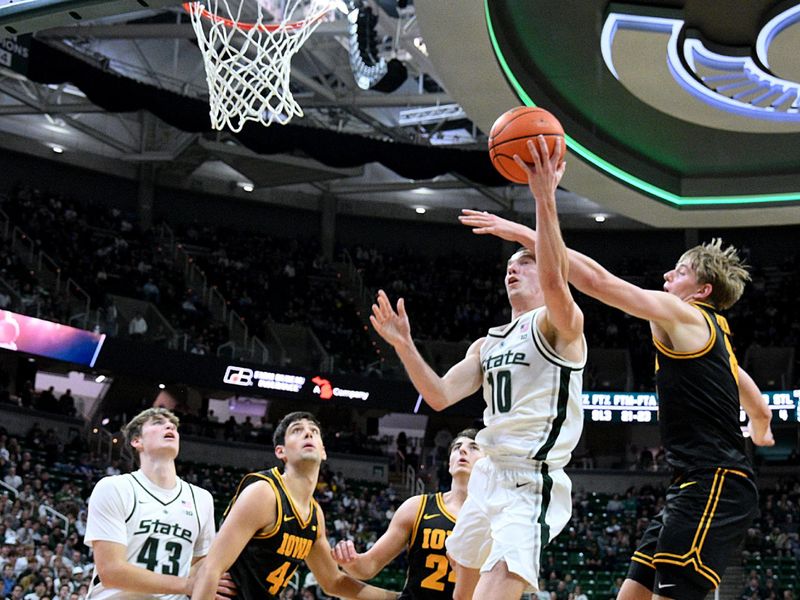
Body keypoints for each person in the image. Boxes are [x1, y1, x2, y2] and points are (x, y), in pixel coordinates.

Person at [460, 215, 774, 599]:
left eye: (679, 272)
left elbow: (598, 282)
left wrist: (527, 235)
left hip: (713, 483)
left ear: (702, 290)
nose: (666, 277)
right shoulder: (715, 339)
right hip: (693, 484)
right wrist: (761, 429)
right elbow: (757, 402)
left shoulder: (685, 314)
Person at [371, 136, 585, 600]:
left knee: (493, 589)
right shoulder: (487, 342)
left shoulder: (560, 325)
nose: (514, 269)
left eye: (525, 262)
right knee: (460, 567)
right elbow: (440, 396)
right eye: (509, 264)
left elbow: (554, 271)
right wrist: (405, 346)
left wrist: (543, 198)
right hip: (489, 473)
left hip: (532, 477)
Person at [191, 411, 397, 600]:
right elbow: (211, 568)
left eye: (314, 431)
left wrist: (396, 597)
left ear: (323, 451)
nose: (308, 434)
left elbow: (333, 581)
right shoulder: (264, 494)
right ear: (281, 452)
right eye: (297, 430)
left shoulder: (315, 515)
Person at [332, 429, 484, 599]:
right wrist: (351, 562)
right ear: (449, 463)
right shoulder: (417, 507)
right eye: (457, 447)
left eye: (473, 447)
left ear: (488, 464)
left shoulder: (496, 519)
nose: (462, 451)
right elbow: (369, 565)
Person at [84, 408, 216, 600]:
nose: (170, 426)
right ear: (137, 441)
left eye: (173, 425)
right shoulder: (115, 488)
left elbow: (200, 564)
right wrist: (187, 585)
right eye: (157, 423)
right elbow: (111, 572)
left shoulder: (202, 498)